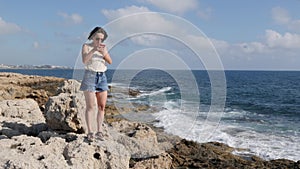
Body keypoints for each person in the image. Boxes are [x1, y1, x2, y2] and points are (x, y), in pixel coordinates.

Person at [79, 26, 112, 142]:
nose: (99, 41)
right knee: (90, 106)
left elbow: (110, 61)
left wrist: (103, 52)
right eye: (97, 38)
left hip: (102, 77)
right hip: (90, 76)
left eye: (101, 39)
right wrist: (94, 50)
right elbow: (84, 60)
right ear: (93, 37)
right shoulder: (86, 46)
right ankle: (90, 132)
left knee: (101, 106)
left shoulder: (104, 47)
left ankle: (99, 131)